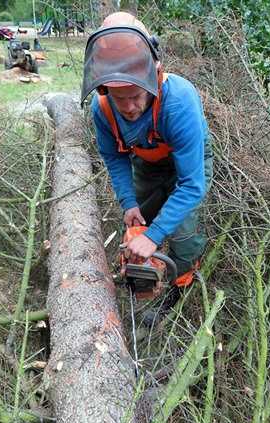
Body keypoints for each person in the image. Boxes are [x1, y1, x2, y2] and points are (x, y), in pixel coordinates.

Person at [80, 12, 213, 323]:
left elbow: (192, 184)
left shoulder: (178, 103)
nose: (128, 108)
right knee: (142, 215)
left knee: (183, 231)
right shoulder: (101, 109)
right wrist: (129, 202)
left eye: (136, 97)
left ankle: (179, 291)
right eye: (118, 97)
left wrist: (154, 237)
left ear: (154, 75)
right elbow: (113, 156)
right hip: (148, 160)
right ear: (103, 88)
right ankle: (144, 272)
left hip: (187, 160)